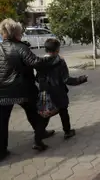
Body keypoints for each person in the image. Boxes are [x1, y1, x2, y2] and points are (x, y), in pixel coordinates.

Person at [0, 19, 57, 161]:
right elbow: (36, 62)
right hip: (22, 89)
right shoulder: (21, 47)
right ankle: (39, 136)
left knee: (2, 121)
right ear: (16, 33)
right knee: (36, 112)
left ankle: (1, 151)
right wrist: (52, 58)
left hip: (2, 91)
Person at [36, 39, 88, 140]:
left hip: (45, 92)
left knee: (45, 114)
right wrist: (81, 79)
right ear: (57, 50)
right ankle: (67, 132)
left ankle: (38, 139)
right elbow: (66, 79)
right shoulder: (60, 61)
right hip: (59, 92)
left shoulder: (39, 62)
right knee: (63, 111)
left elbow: (38, 78)